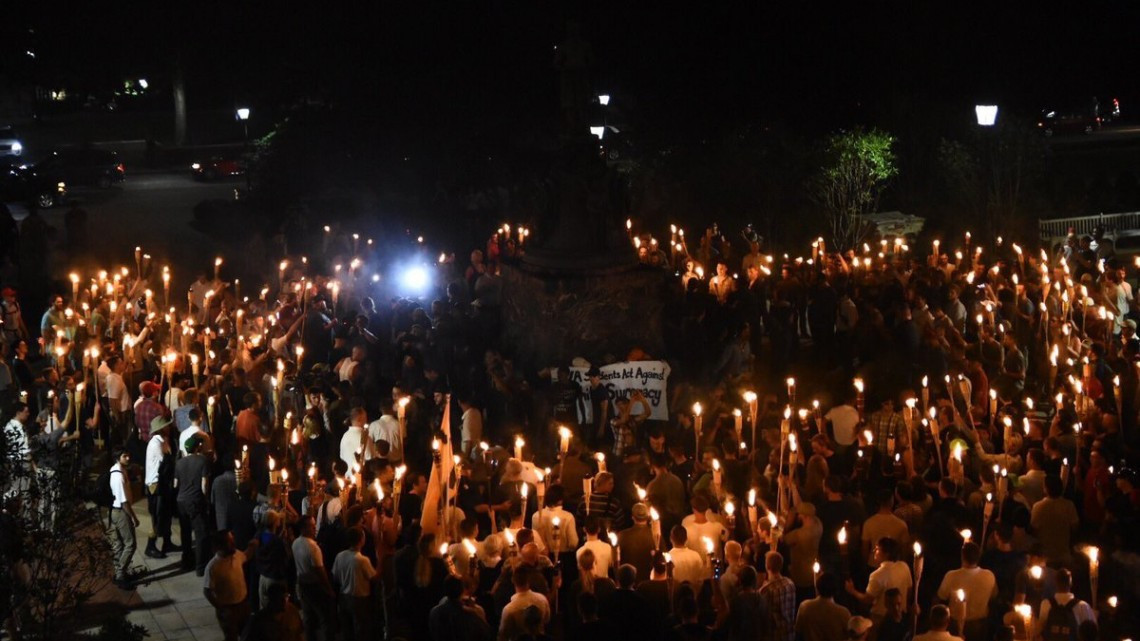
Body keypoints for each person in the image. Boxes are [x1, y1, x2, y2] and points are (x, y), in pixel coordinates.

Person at [935, 542, 997, 641]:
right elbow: (994, 595)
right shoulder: (989, 576)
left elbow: (940, 597)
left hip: (956, 624)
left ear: (962, 556)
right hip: (979, 625)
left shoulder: (951, 576)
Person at [204, 529, 257, 641]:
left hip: (243, 605)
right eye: (230, 542)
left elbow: (246, 556)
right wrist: (221, 608)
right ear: (220, 545)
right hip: (228, 610)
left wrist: (252, 547)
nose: (234, 544)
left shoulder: (236, 554)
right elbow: (207, 591)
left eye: (233, 540)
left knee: (248, 635)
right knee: (231, 638)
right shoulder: (213, 567)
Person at [292, 515, 335, 641]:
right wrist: (329, 589)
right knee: (325, 617)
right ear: (304, 528)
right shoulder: (313, 547)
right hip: (314, 586)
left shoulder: (295, 543)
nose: (314, 528)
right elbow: (319, 571)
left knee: (308, 617)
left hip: (302, 583)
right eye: (311, 526)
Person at [331, 526, 377, 641]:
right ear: (361, 540)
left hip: (343, 597)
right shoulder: (362, 560)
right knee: (361, 629)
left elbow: (335, 575)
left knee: (347, 629)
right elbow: (373, 577)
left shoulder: (340, 556)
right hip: (360, 599)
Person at [175, 434, 212, 575]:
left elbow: (175, 484)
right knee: (200, 533)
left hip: (181, 501)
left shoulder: (179, 463)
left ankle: (186, 561)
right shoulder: (202, 461)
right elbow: (204, 484)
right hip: (195, 500)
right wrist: (206, 499)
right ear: (197, 447)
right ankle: (200, 566)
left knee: (185, 532)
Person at [143, 416, 175, 559]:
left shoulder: (163, 441)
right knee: (157, 516)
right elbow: (165, 462)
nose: (169, 427)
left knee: (165, 514)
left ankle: (167, 542)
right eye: (167, 426)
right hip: (155, 485)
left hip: (162, 483)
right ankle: (150, 546)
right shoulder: (156, 444)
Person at [108, 448, 139, 590]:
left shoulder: (116, 470)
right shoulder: (118, 476)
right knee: (130, 544)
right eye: (124, 456)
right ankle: (120, 574)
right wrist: (133, 517)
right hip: (121, 512)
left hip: (115, 511)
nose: (128, 458)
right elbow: (123, 501)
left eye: (128, 455)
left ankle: (120, 573)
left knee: (119, 544)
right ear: (117, 457)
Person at [1036, 569, 1096, 641]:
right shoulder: (1082, 606)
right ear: (1071, 583)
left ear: (1055, 583)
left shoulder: (1045, 604)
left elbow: (1040, 630)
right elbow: (1092, 633)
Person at [429, 575, 492, 641]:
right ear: (462, 590)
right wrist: (477, 612)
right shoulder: (470, 614)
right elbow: (486, 634)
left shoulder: (434, 612)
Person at [795, 572, 851, 641]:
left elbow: (798, 632)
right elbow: (851, 636)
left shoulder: (804, 606)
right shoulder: (843, 613)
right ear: (836, 590)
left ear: (818, 586)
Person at [499, 566, 550, 641]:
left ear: (512, 580)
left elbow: (503, 635)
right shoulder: (542, 599)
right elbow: (547, 620)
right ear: (528, 580)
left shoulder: (509, 609)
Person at [761, 550, 795, 641]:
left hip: (774, 636)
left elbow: (764, 617)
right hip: (789, 634)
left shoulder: (766, 590)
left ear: (767, 566)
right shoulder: (790, 584)